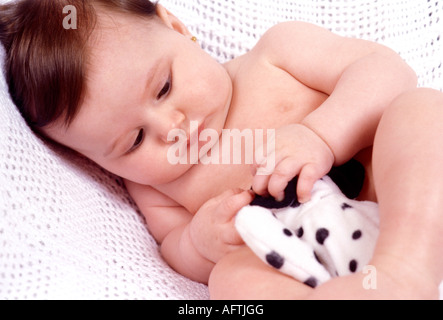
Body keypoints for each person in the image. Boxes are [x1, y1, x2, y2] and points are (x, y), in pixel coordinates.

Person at [1, 0, 441, 299]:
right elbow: (174, 247)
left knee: (420, 112)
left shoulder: (274, 56)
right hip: (307, 263)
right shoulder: (155, 188)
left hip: (393, 198)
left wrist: (320, 135)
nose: (171, 128)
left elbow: (388, 71)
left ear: (176, 27)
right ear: (93, 162)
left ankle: (406, 270)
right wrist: (198, 241)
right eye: (133, 141)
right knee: (230, 283)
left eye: (164, 87)